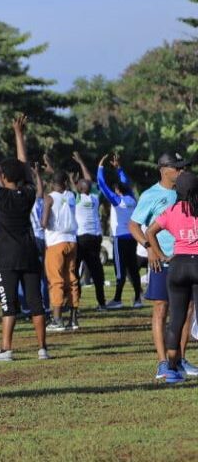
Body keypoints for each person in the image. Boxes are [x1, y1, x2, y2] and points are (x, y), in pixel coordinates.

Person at [0, 115, 50, 362]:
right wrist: (18, 133)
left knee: (8, 305)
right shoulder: (28, 194)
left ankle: (6, 349)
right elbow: (24, 165)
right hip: (30, 253)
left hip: (7, 258)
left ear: (2, 178)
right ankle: (42, 348)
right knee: (36, 302)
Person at [128, 151, 193, 380]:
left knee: (186, 311)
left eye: (183, 167)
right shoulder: (150, 195)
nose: (182, 171)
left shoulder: (186, 192)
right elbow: (134, 225)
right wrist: (149, 248)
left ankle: (180, 359)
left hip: (184, 260)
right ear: (164, 169)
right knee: (161, 309)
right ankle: (163, 362)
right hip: (161, 263)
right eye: (178, 168)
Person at [144, 170, 198, 383]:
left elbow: (149, 232)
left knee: (175, 320)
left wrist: (163, 256)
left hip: (177, 265)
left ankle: (172, 369)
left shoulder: (172, 210)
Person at [97, 154, 140, 309]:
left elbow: (102, 185)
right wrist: (119, 168)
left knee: (120, 270)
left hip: (120, 238)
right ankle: (137, 299)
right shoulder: (133, 200)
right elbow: (126, 183)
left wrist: (100, 167)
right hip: (132, 237)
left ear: (116, 190)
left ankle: (117, 299)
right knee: (133, 268)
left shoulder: (118, 201)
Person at [41, 170, 79, 331]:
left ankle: (57, 320)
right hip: (72, 240)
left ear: (51, 183)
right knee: (71, 279)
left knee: (56, 280)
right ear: (65, 183)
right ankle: (73, 319)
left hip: (56, 241)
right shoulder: (70, 196)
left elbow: (43, 223)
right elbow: (71, 188)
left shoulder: (49, 198)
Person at [69, 152, 107, 311]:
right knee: (97, 271)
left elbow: (83, 182)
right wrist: (81, 162)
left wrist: (73, 179)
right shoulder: (95, 198)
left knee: (75, 271)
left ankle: (74, 303)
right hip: (95, 238)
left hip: (81, 239)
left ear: (79, 188)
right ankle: (102, 303)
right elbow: (88, 181)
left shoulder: (75, 198)